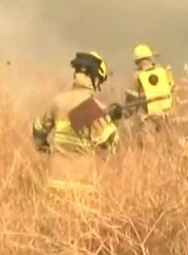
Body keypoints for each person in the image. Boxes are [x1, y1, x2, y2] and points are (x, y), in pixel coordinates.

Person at [32, 50, 124, 191]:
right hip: (83, 184)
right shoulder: (95, 107)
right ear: (95, 78)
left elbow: (38, 128)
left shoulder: (58, 101)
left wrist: (44, 147)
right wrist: (113, 120)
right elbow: (109, 145)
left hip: (55, 180)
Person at [125, 44, 175, 138]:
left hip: (147, 117)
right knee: (167, 141)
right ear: (150, 57)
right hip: (165, 114)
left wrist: (125, 114)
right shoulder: (163, 71)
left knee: (148, 143)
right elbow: (172, 87)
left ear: (137, 61)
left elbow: (131, 99)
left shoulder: (137, 76)